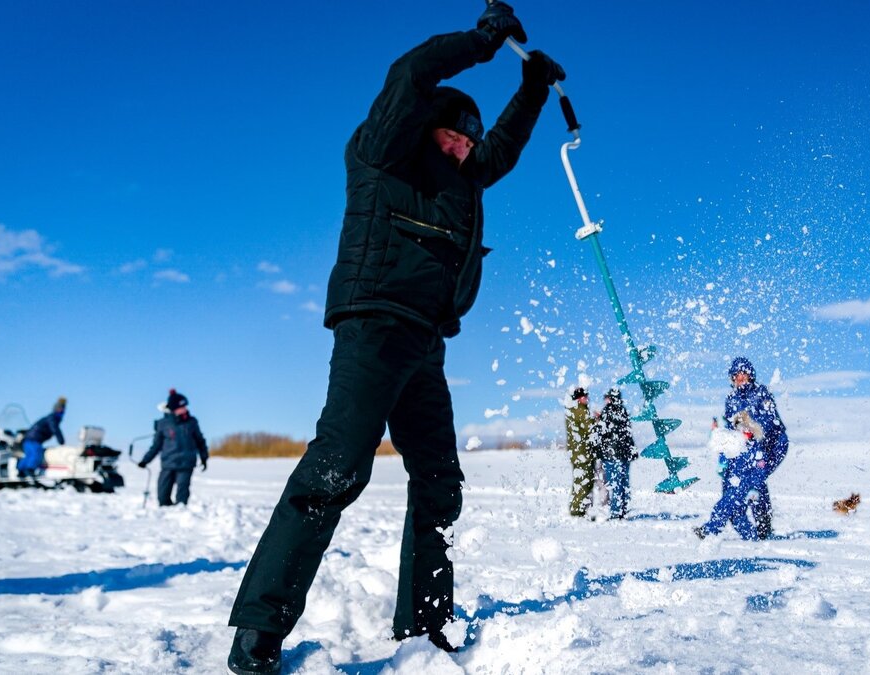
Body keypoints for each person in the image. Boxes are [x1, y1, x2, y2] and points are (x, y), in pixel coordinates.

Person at [227, 4, 565, 671]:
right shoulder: (385, 154)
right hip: (373, 324)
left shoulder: (461, 179)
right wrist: (482, 41)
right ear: (428, 127)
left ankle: (425, 621)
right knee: (336, 468)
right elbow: (410, 75)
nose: (465, 147)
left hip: (426, 343)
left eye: (470, 141)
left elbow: (499, 150)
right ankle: (259, 629)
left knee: (439, 480)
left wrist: (530, 91)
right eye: (455, 135)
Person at [695, 357, 788, 540]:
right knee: (745, 485)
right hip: (747, 449)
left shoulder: (761, 393)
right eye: (736, 376)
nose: (739, 379)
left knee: (745, 486)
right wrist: (721, 434)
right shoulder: (731, 399)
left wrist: (751, 425)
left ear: (750, 375)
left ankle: (712, 528)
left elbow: (771, 422)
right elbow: (732, 427)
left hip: (771, 447)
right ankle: (759, 530)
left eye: (743, 375)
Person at [696, 412, 769, 539]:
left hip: (743, 487)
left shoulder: (754, 447)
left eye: (743, 427)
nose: (740, 430)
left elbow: (760, 470)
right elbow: (722, 452)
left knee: (722, 507)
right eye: (738, 427)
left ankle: (708, 531)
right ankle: (752, 536)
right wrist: (723, 466)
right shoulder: (734, 443)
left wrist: (754, 488)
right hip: (730, 483)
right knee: (737, 516)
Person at [138, 389, 209, 507]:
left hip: (186, 463)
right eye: (182, 407)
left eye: (185, 406)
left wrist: (204, 457)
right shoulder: (163, 423)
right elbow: (156, 446)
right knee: (162, 496)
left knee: (182, 496)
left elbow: (200, 441)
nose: (185, 409)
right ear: (173, 408)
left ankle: (180, 516)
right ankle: (165, 518)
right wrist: (145, 460)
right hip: (168, 463)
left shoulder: (192, 422)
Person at [594, 388, 636, 519]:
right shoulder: (623, 411)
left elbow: (602, 432)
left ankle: (616, 512)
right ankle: (622, 509)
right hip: (624, 455)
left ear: (610, 398)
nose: (605, 400)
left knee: (614, 483)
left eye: (607, 397)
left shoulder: (607, 411)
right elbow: (627, 433)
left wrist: (598, 419)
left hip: (611, 455)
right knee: (623, 483)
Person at [566, 387, 597, 517]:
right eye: (584, 396)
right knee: (583, 482)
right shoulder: (581, 411)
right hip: (583, 454)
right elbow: (590, 429)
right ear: (579, 399)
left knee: (582, 481)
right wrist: (596, 420)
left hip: (579, 454)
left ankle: (579, 508)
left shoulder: (574, 411)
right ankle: (577, 510)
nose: (587, 398)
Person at [18, 397, 66, 478]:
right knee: (36, 452)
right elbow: (55, 429)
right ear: (56, 409)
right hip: (34, 439)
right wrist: (61, 440)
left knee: (29, 455)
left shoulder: (52, 418)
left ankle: (21, 470)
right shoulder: (52, 418)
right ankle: (29, 470)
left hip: (29, 438)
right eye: (60, 409)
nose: (62, 411)